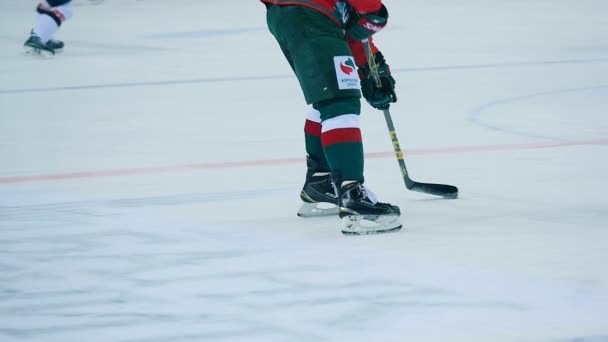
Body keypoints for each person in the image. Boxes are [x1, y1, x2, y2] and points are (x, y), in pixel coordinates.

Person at [261, 0, 401, 235]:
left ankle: (321, 181)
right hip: (310, 13)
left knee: (326, 95)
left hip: (292, 14)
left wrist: (371, 66)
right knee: (340, 101)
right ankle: (353, 195)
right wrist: (374, 12)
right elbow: (363, 15)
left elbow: (353, 25)